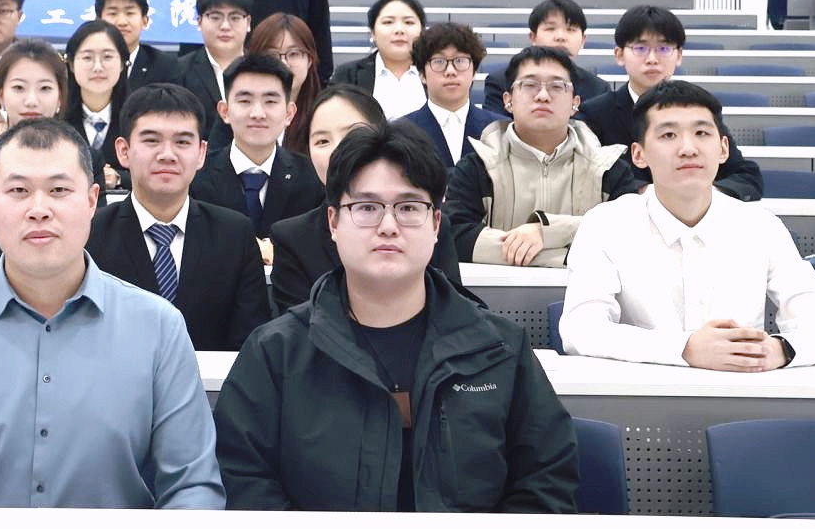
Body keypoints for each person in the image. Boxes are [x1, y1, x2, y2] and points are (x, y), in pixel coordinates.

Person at [213, 123, 579, 512]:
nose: (388, 226)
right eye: (367, 208)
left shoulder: (499, 349)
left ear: (436, 224)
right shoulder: (276, 354)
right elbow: (244, 479)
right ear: (333, 223)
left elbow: (546, 482)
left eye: (408, 208)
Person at [0, 119, 225, 508]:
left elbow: (191, 486)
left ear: (92, 201)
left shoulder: (159, 327)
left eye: (59, 190)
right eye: (19, 191)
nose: (39, 210)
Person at [560, 80, 815, 368]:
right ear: (639, 154)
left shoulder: (762, 226)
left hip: (743, 385)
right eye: (668, 135)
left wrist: (780, 350)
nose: (688, 149)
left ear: (723, 148)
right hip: (644, 390)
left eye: (701, 133)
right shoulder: (605, 224)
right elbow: (580, 329)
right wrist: (684, 349)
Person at [86, 83, 269, 350]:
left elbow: (250, 341)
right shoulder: (90, 235)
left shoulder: (234, 235)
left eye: (182, 142)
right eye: (151, 140)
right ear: (124, 151)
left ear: (201, 153)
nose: (167, 155)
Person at [271, 86, 464, 312]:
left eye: (352, 134)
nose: (337, 150)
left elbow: (453, 308)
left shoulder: (424, 221)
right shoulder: (292, 237)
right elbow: (297, 325)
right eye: (322, 141)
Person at [444, 47, 637, 267]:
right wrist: (562, 256)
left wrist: (545, 232)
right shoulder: (479, 164)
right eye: (529, 85)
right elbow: (455, 236)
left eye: (557, 86)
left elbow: (629, 233)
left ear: (575, 102)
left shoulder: (608, 168)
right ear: (508, 100)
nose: (543, 96)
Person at [580, 5, 763, 201]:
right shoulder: (594, 113)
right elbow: (588, 175)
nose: (652, 59)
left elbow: (746, 176)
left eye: (664, 49)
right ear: (619, 55)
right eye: (640, 48)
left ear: (679, 55)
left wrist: (705, 194)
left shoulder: (699, 110)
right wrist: (654, 194)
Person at [189, 54, 323, 256]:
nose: (258, 114)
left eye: (270, 101)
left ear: (289, 113)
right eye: (245, 101)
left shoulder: (311, 177)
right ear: (225, 111)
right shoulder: (196, 176)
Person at [0, 39, 109, 192]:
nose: (31, 101)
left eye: (45, 88)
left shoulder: (87, 160)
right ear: (1, 96)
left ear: (60, 97)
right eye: (19, 88)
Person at [483, 0, 608, 118]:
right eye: (550, 29)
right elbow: (495, 126)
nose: (560, 37)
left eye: (570, 29)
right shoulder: (500, 81)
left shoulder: (598, 88)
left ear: (583, 40)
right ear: (533, 37)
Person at [396, 22, 495, 170]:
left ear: (474, 72)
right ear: (422, 74)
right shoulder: (399, 133)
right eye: (439, 62)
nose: (450, 71)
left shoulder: (499, 129)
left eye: (460, 61)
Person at [175, 0, 253, 137]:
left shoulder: (264, 71)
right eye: (215, 17)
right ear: (199, 22)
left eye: (235, 18)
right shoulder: (177, 71)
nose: (225, 26)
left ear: (248, 23)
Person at [332, 0, 427, 121]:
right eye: (388, 22)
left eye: (409, 22)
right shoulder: (348, 75)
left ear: (422, 31)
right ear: (373, 32)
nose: (399, 30)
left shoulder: (437, 72)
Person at [62, 20, 131, 192]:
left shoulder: (138, 117)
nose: (98, 67)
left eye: (107, 57)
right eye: (87, 58)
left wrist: (119, 177)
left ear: (122, 63)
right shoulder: (56, 119)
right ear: (71, 64)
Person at [247, 13, 322, 154]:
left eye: (294, 54)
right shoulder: (238, 110)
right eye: (272, 55)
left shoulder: (324, 114)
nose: (284, 63)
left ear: (310, 60)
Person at [96, 0, 178, 91]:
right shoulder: (85, 62)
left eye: (129, 13)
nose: (122, 22)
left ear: (145, 21)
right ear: (98, 21)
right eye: (113, 13)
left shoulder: (165, 66)